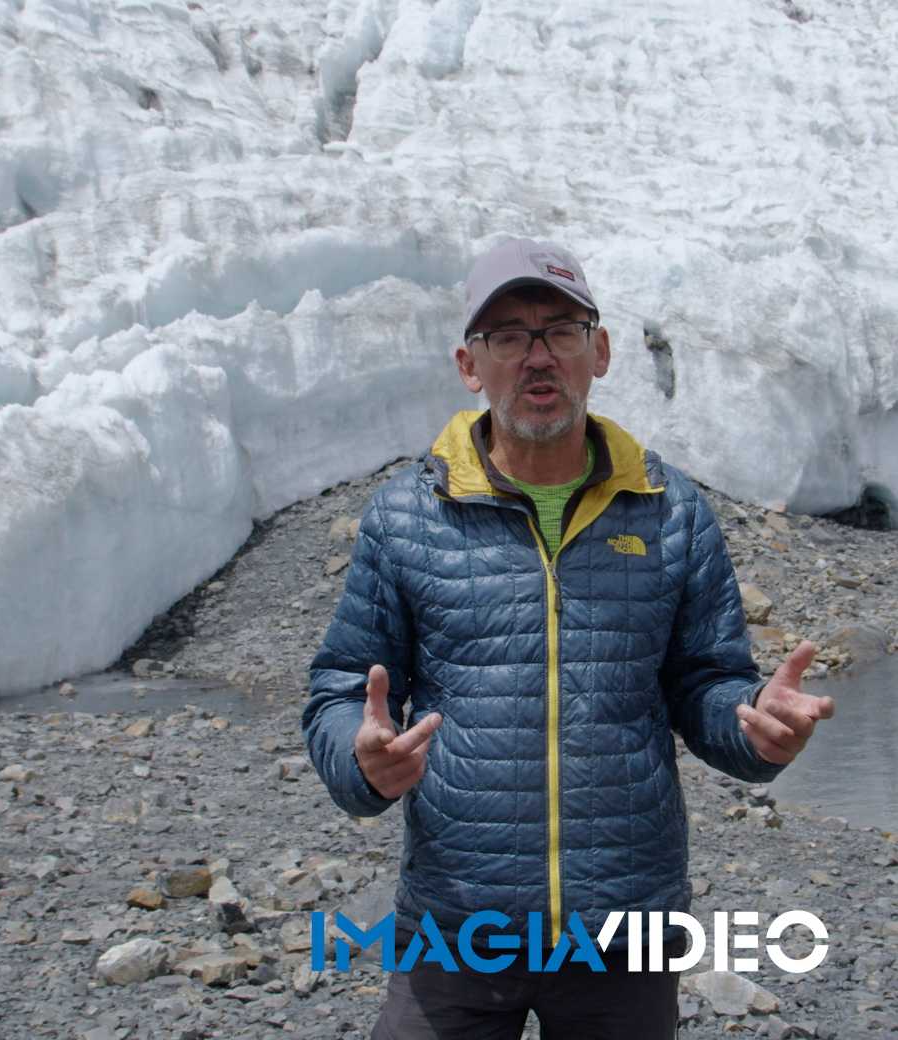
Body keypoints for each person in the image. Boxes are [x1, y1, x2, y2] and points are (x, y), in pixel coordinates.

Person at [302, 238, 835, 1040]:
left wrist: (753, 723)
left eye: (559, 330)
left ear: (602, 350)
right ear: (468, 364)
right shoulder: (408, 516)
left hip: (623, 926)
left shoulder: (669, 510)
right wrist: (360, 756)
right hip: (457, 918)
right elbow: (341, 688)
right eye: (508, 335)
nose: (537, 355)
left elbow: (703, 681)